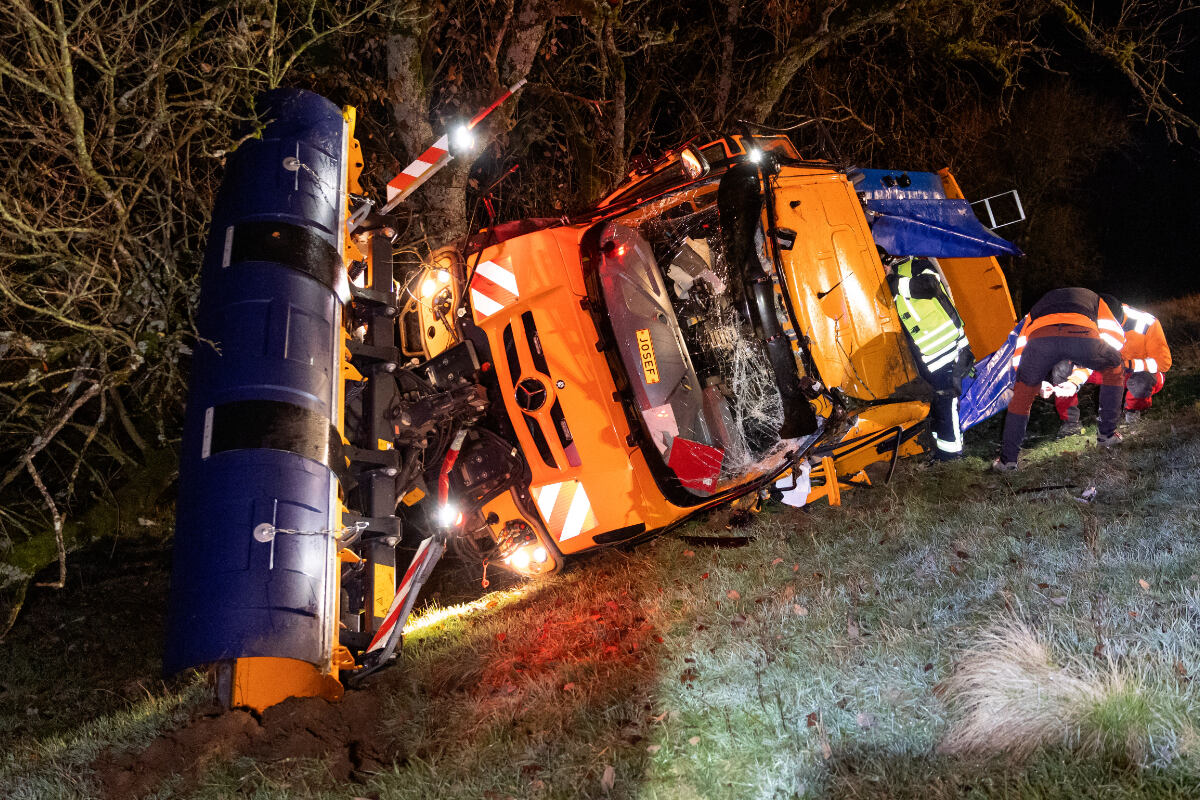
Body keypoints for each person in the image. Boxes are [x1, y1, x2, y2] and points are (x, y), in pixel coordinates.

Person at [993, 287, 1125, 471]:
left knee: (1022, 395)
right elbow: (1115, 337)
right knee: (1115, 367)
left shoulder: (1043, 301)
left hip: (1040, 340)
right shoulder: (1095, 299)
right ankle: (1107, 436)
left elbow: (1021, 347)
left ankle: (1007, 462)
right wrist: (1093, 358)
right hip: (1081, 335)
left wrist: (1035, 383)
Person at [882, 252, 973, 460]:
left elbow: (929, 286)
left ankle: (952, 456)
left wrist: (895, 282)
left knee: (946, 398)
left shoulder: (917, 265)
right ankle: (940, 449)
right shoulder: (892, 277)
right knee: (937, 403)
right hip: (928, 356)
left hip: (947, 348)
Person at [1052, 297, 1172, 433]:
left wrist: (1130, 364)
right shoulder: (1091, 323)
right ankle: (1071, 425)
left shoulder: (1147, 323)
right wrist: (1074, 382)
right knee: (1062, 369)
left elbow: (1164, 363)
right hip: (1109, 371)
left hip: (1138, 372)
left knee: (1141, 381)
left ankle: (1132, 413)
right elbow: (1089, 362)